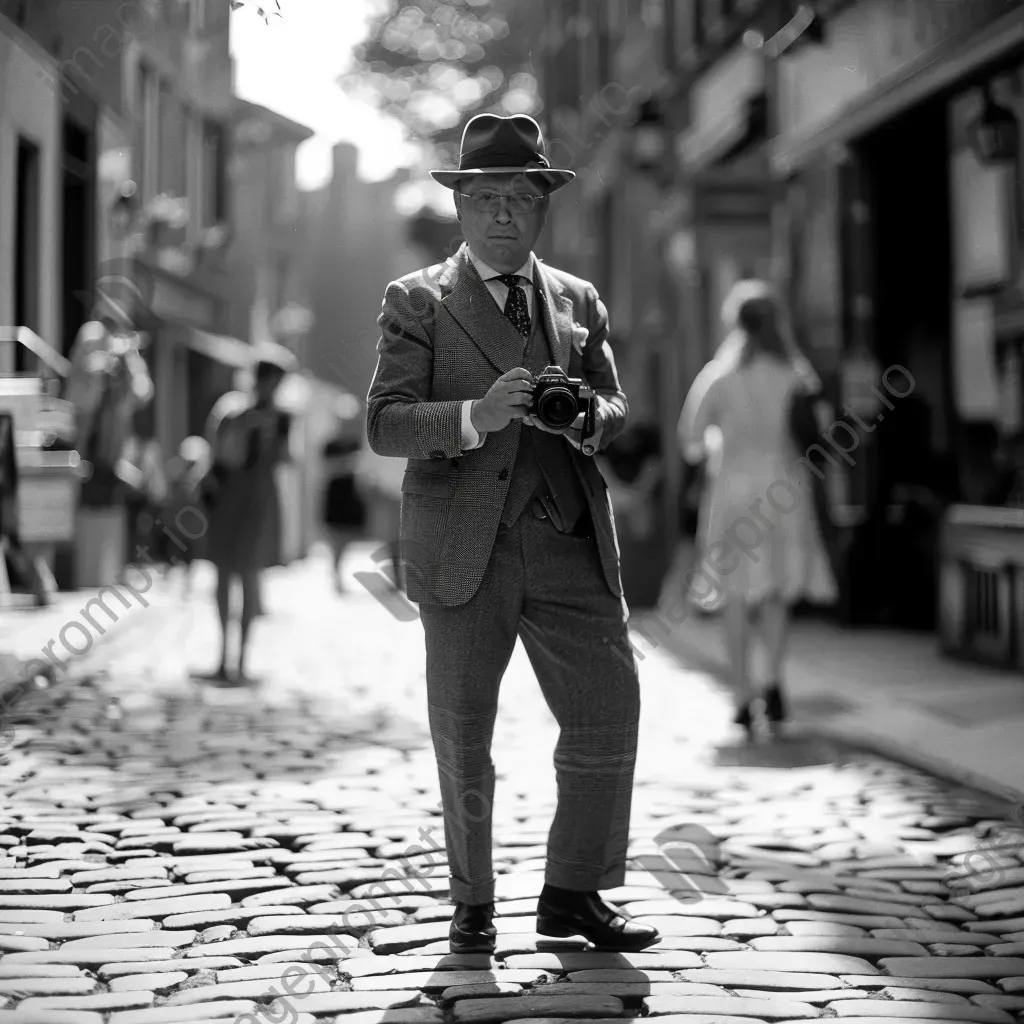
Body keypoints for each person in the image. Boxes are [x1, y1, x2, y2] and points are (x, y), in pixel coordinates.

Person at [366, 113, 658, 954]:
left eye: (520, 199)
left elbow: (613, 403)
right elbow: (385, 425)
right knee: (464, 730)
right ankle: (473, 901)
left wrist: (588, 423)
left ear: (541, 208)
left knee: (609, 710)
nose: (502, 215)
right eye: (486, 198)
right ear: (460, 207)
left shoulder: (577, 299)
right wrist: (475, 415)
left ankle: (574, 892)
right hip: (464, 546)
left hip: (567, 535)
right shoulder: (417, 299)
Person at [678, 279, 837, 740]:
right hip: (785, 491)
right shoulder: (796, 373)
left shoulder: (719, 376)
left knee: (733, 593)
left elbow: (689, 437)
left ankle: (744, 696)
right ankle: (774, 681)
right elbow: (817, 434)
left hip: (731, 490)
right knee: (773, 591)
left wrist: (714, 448)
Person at [199, 352, 296, 686]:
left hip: (256, 500)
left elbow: (284, 457)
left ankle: (239, 661)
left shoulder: (280, 417)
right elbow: (216, 454)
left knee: (247, 575)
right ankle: (224, 659)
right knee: (226, 575)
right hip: (232, 497)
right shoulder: (232, 409)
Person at [320, 424, 366, 592]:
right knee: (336, 541)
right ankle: (336, 577)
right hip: (335, 497)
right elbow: (326, 468)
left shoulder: (355, 443)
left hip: (350, 496)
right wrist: (347, 463)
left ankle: (339, 576)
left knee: (346, 540)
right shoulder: (331, 444)